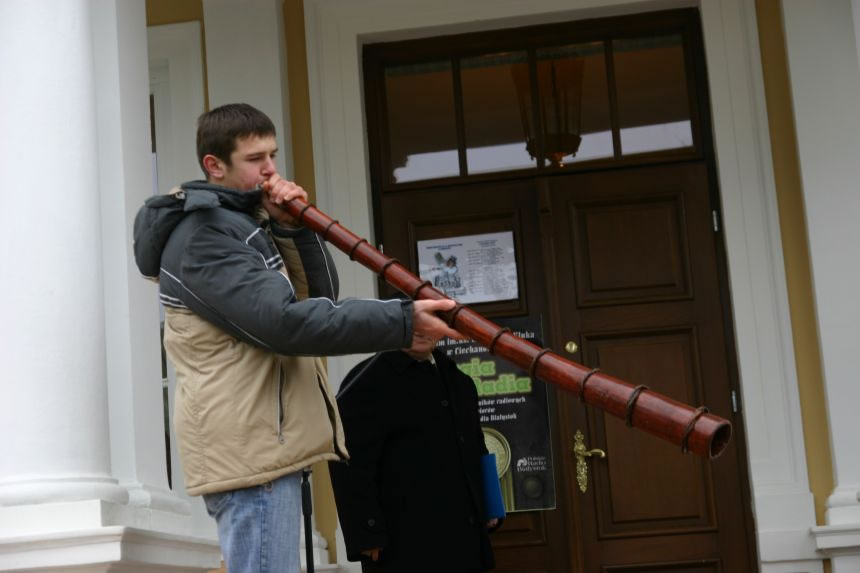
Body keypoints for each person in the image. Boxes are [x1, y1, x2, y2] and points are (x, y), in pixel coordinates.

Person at [132, 103, 461, 573]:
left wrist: (292, 229)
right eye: (255, 159)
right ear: (214, 165)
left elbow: (319, 300)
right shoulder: (205, 237)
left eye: (273, 155)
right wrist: (401, 321)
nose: (270, 170)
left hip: (268, 449)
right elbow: (285, 325)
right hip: (251, 453)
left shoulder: (242, 225)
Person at [329, 342, 500, 573]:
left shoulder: (460, 382)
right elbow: (348, 459)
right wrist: (367, 532)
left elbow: (476, 447)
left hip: (464, 542)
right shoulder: (366, 380)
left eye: (428, 323)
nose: (420, 329)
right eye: (412, 322)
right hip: (404, 545)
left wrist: (490, 505)